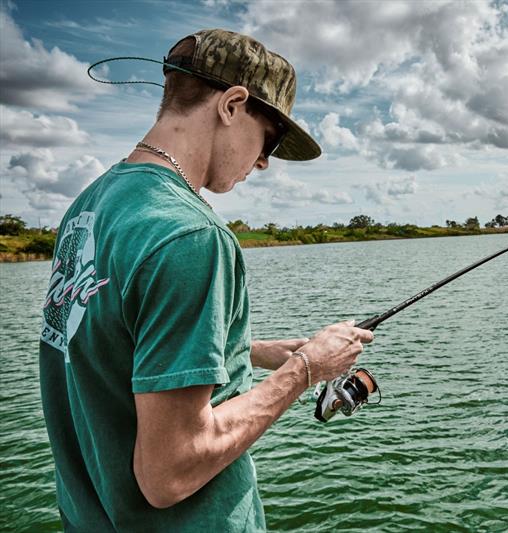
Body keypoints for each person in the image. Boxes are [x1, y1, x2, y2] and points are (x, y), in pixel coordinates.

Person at [38, 29, 373, 531]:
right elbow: (169, 472)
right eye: (270, 140)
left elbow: (116, 343)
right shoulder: (191, 236)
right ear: (233, 105)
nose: (263, 162)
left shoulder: (89, 208)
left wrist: (248, 350)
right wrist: (305, 368)